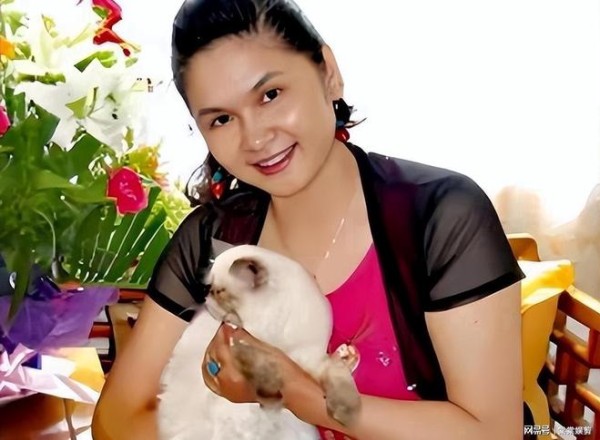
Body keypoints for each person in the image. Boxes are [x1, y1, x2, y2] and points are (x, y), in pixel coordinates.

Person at [92, 0, 525, 439]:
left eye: (270, 95)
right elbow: (117, 416)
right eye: (222, 119)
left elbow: (495, 432)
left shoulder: (439, 216)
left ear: (328, 73)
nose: (256, 138)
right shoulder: (212, 238)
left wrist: (297, 392)